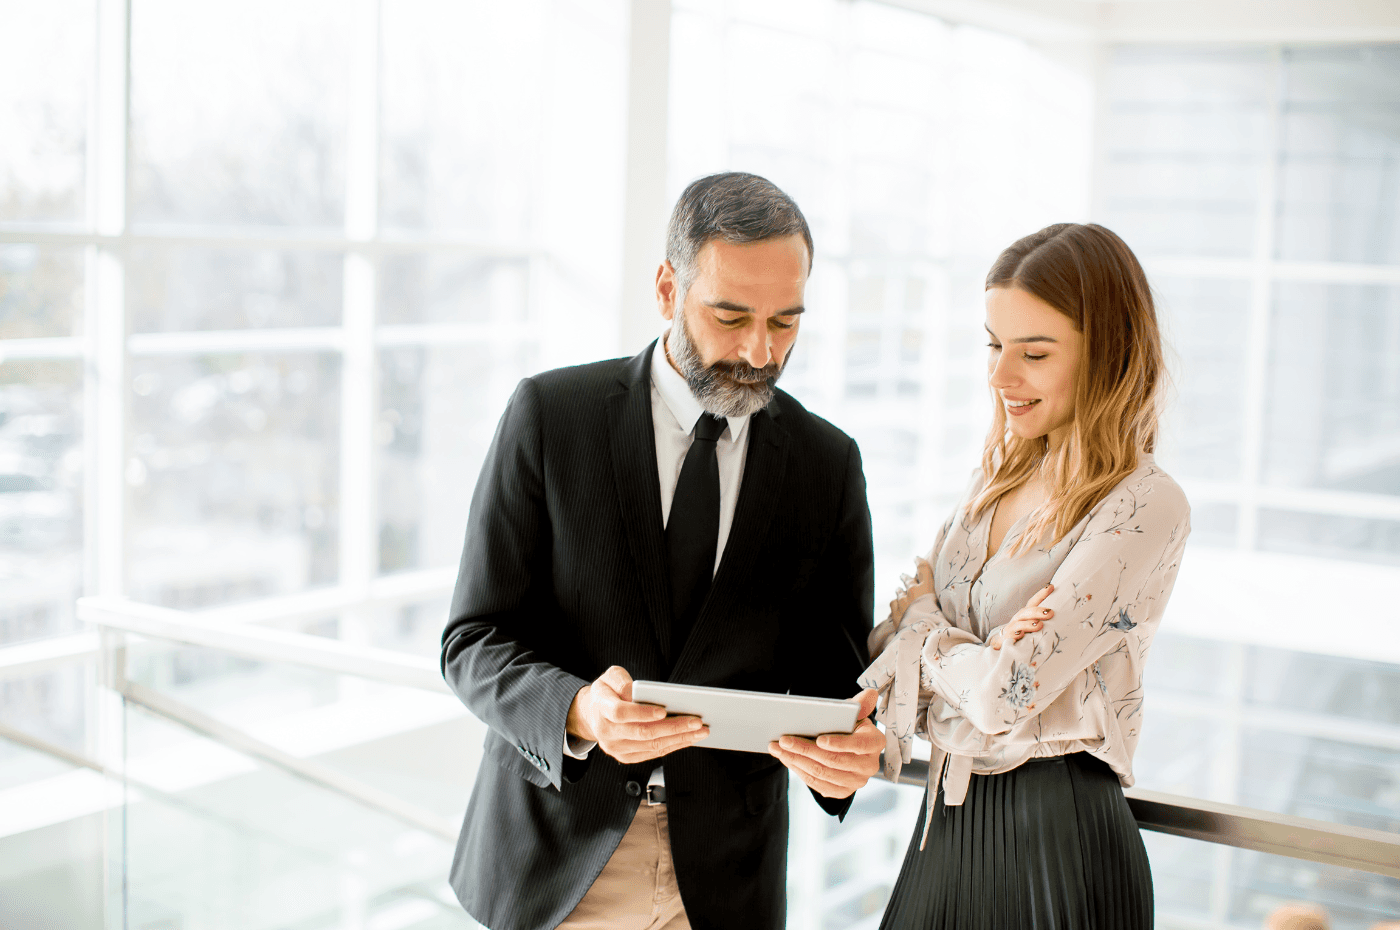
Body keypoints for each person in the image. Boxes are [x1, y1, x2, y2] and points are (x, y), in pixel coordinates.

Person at [441, 171, 885, 930]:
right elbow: (472, 641)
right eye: (730, 314)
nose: (759, 350)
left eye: (786, 322)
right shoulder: (551, 417)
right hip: (556, 865)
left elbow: (831, 682)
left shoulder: (826, 463)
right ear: (665, 287)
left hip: (724, 885)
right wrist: (578, 709)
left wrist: (851, 750)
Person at [860, 223, 1191, 929]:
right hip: (942, 826)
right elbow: (887, 668)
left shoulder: (1144, 503)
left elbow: (1001, 695)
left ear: (1108, 356)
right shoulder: (992, 481)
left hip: (1058, 837)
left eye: (1034, 354)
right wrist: (952, 649)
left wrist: (926, 628)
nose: (1000, 377)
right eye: (994, 346)